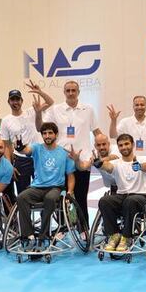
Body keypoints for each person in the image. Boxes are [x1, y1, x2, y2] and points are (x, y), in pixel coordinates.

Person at [40, 81, 102, 227]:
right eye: (68, 90)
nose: (71, 93)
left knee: (81, 197)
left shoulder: (89, 109)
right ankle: (63, 227)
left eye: (73, 90)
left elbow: (96, 131)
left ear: (78, 92)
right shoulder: (55, 110)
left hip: (82, 161)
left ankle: (84, 228)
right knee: (62, 196)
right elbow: (43, 129)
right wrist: (38, 113)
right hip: (61, 160)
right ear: (64, 92)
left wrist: (105, 148)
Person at [13, 122, 76, 249]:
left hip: (55, 187)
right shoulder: (37, 148)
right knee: (21, 197)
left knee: (50, 198)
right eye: (44, 133)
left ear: (56, 135)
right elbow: (26, 150)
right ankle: (29, 235)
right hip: (37, 187)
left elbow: (70, 176)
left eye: (50, 133)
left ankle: (43, 235)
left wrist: (70, 192)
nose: (47, 136)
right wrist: (19, 147)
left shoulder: (64, 153)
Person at [96, 134, 146, 252]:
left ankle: (126, 237)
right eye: (120, 145)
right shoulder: (116, 162)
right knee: (105, 201)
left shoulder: (142, 159)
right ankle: (114, 235)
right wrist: (99, 163)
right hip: (122, 196)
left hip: (140, 197)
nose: (124, 147)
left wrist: (140, 166)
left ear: (132, 145)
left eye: (126, 144)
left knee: (130, 201)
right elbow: (109, 167)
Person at [0, 82, 54, 198]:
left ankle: (44, 216)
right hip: (20, 160)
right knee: (23, 195)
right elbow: (6, 146)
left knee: (44, 191)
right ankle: (25, 216)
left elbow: (50, 102)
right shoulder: (6, 121)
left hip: (38, 157)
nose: (15, 102)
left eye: (17, 100)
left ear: (22, 101)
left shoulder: (33, 111)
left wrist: (40, 92)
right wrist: (10, 166)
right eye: (12, 100)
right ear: (8, 102)